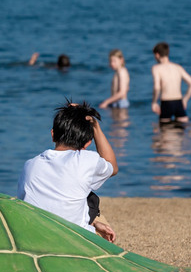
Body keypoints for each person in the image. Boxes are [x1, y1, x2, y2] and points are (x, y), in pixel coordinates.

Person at [17, 101, 118, 242]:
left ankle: (92, 223)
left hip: (34, 239)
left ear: (53, 135)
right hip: (74, 242)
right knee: (91, 200)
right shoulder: (87, 160)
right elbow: (112, 167)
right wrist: (95, 127)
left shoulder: (30, 165)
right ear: (87, 143)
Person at [151, 42, 191, 123]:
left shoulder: (156, 68)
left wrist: (154, 102)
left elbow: (157, 87)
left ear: (157, 55)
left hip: (166, 103)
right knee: (181, 133)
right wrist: (185, 99)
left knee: (164, 133)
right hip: (179, 102)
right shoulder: (178, 68)